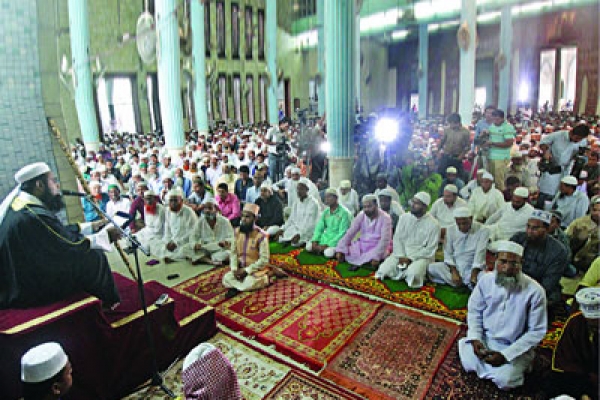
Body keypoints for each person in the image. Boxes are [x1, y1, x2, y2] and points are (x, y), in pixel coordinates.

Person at [0, 162, 120, 309]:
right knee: (93, 256)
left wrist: (90, 227)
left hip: (24, 273)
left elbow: (55, 233)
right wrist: (106, 236)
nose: (57, 186)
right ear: (39, 185)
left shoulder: (22, 205)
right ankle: (109, 305)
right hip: (30, 286)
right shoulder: (34, 214)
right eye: (53, 181)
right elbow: (71, 245)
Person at [458, 241, 547, 390]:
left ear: (521, 263)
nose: (507, 268)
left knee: (505, 380)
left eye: (514, 263)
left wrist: (506, 355)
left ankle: (522, 364)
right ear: (495, 260)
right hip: (486, 339)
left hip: (514, 346)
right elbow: (474, 311)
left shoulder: (535, 291)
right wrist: (476, 338)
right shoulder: (486, 281)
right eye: (503, 262)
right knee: (469, 363)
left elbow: (536, 331)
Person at [375, 192, 440, 288]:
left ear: (425, 207)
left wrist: (411, 258)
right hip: (401, 253)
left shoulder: (434, 224)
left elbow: (430, 249)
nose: (413, 205)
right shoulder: (404, 218)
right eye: (413, 202)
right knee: (383, 270)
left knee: (414, 274)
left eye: (416, 203)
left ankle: (418, 273)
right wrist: (401, 255)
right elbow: (397, 239)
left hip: (420, 256)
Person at [222, 203, 286, 298]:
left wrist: (247, 271)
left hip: (256, 270)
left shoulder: (261, 236)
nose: (243, 219)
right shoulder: (237, 232)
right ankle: (239, 287)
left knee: (249, 282)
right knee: (226, 278)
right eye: (242, 216)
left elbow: (264, 260)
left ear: (255, 219)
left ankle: (266, 277)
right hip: (241, 268)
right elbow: (233, 253)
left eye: (247, 217)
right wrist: (234, 269)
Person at [546, 287, 599, 400]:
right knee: (554, 383)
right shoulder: (575, 322)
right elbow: (565, 360)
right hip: (581, 376)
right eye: (591, 321)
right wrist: (583, 391)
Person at [510, 210, 569, 310]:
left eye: (535, 228)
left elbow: (548, 283)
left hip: (539, 288)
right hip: (513, 284)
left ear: (546, 229)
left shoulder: (558, 251)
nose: (529, 231)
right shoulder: (517, 239)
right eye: (528, 226)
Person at [428, 207, 490, 289]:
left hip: (471, 267)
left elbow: (480, 254)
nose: (461, 227)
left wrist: (474, 274)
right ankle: (464, 283)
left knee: (485, 278)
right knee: (431, 268)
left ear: (471, 219)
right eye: (459, 224)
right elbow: (448, 253)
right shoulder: (451, 230)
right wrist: (454, 272)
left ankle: (462, 282)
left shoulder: (483, 230)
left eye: (464, 223)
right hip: (455, 266)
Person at [335, 194, 392, 272]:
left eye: (369, 206)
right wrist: (341, 248)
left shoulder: (385, 218)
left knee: (378, 257)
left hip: (377, 246)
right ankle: (364, 262)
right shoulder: (361, 215)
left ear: (376, 205)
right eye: (364, 207)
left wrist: (377, 256)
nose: (366, 209)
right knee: (347, 251)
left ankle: (367, 262)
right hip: (362, 245)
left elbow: (385, 240)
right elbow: (350, 232)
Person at [267, 178, 320, 247]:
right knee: (280, 237)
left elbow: (310, 224)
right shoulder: (296, 202)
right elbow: (291, 219)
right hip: (295, 228)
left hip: (308, 231)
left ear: (307, 190)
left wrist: (300, 234)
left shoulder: (313, 203)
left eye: (301, 189)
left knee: (294, 244)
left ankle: (302, 241)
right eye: (297, 189)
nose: (298, 191)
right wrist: (282, 229)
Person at [154, 188, 198, 263]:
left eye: (175, 200)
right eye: (171, 200)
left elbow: (193, 232)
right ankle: (173, 256)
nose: (173, 203)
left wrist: (177, 243)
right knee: (157, 245)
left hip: (186, 241)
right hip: (173, 240)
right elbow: (167, 230)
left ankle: (174, 258)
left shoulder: (189, 212)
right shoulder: (167, 211)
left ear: (181, 201)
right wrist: (167, 242)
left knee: (184, 250)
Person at [306, 188, 352, 258]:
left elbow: (343, 233)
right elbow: (319, 227)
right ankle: (320, 249)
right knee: (309, 247)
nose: (326, 199)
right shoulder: (326, 212)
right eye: (326, 197)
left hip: (336, 239)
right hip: (326, 237)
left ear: (336, 198)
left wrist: (328, 245)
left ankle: (332, 250)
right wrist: (315, 240)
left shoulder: (344, 213)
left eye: (329, 197)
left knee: (328, 253)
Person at [187, 199, 234, 266]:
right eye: (205, 208)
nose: (207, 211)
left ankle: (204, 259)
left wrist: (226, 242)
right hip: (205, 248)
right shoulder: (200, 222)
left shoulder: (225, 221)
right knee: (186, 248)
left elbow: (232, 237)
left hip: (219, 249)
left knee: (228, 254)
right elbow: (193, 236)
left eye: (210, 208)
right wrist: (195, 245)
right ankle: (210, 261)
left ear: (216, 209)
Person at [481, 109, 515, 191]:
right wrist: (485, 133)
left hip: (501, 158)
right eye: (493, 119)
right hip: (491, 156)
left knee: (499, 181)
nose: (495, 121)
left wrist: (492, 143)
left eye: (497, 119)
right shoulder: (492, 126)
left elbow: (509, 143)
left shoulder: (508, 127)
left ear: (502, 118)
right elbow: (490, 136)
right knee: (490, 179)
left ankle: (500, 197)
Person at [566, 196, 600, 272]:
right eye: (595, 210)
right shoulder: (579, 223)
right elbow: (565, 239)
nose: (597, 214)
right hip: (576, 258)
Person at [133, 191, 165, 255]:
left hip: (159, 233)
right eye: (146, 199)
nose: (148, 201)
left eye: (150, 199)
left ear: (154, 199)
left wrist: (148, 234)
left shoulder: (161, 209)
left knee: (147, 245)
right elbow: (146, 222)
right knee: (133, 237)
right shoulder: (145, 207)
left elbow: (158, 228)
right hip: (148, 229)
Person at [265, 118, 290, 182]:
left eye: (288, 126)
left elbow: (286, 141)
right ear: (281, 124)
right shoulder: (272, 130)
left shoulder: (286, 132)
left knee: (282, 173)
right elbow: (266, 141)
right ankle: (273, 188)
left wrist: (287, 146)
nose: (287, 128)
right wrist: (275, 144)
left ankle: (281, 187)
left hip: (282, 154)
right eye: (286, 126)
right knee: (273, 173)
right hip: (273, 154)